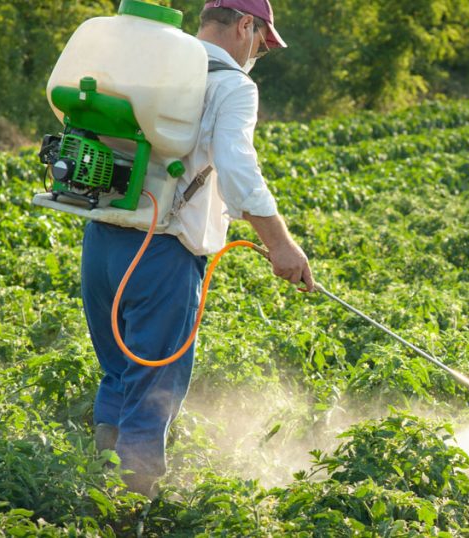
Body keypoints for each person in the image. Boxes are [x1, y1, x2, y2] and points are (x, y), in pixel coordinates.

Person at [80, 0, 313, 497]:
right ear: (246, 26)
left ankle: (97, 492)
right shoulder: (231, 86)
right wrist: (281, 245)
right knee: (152, 397)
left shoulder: (145, 62)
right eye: (261, 43)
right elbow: (237, 172)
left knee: (118, 377)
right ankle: (124, 517)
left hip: (100, 243)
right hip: (159, 257)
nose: (256, 55)